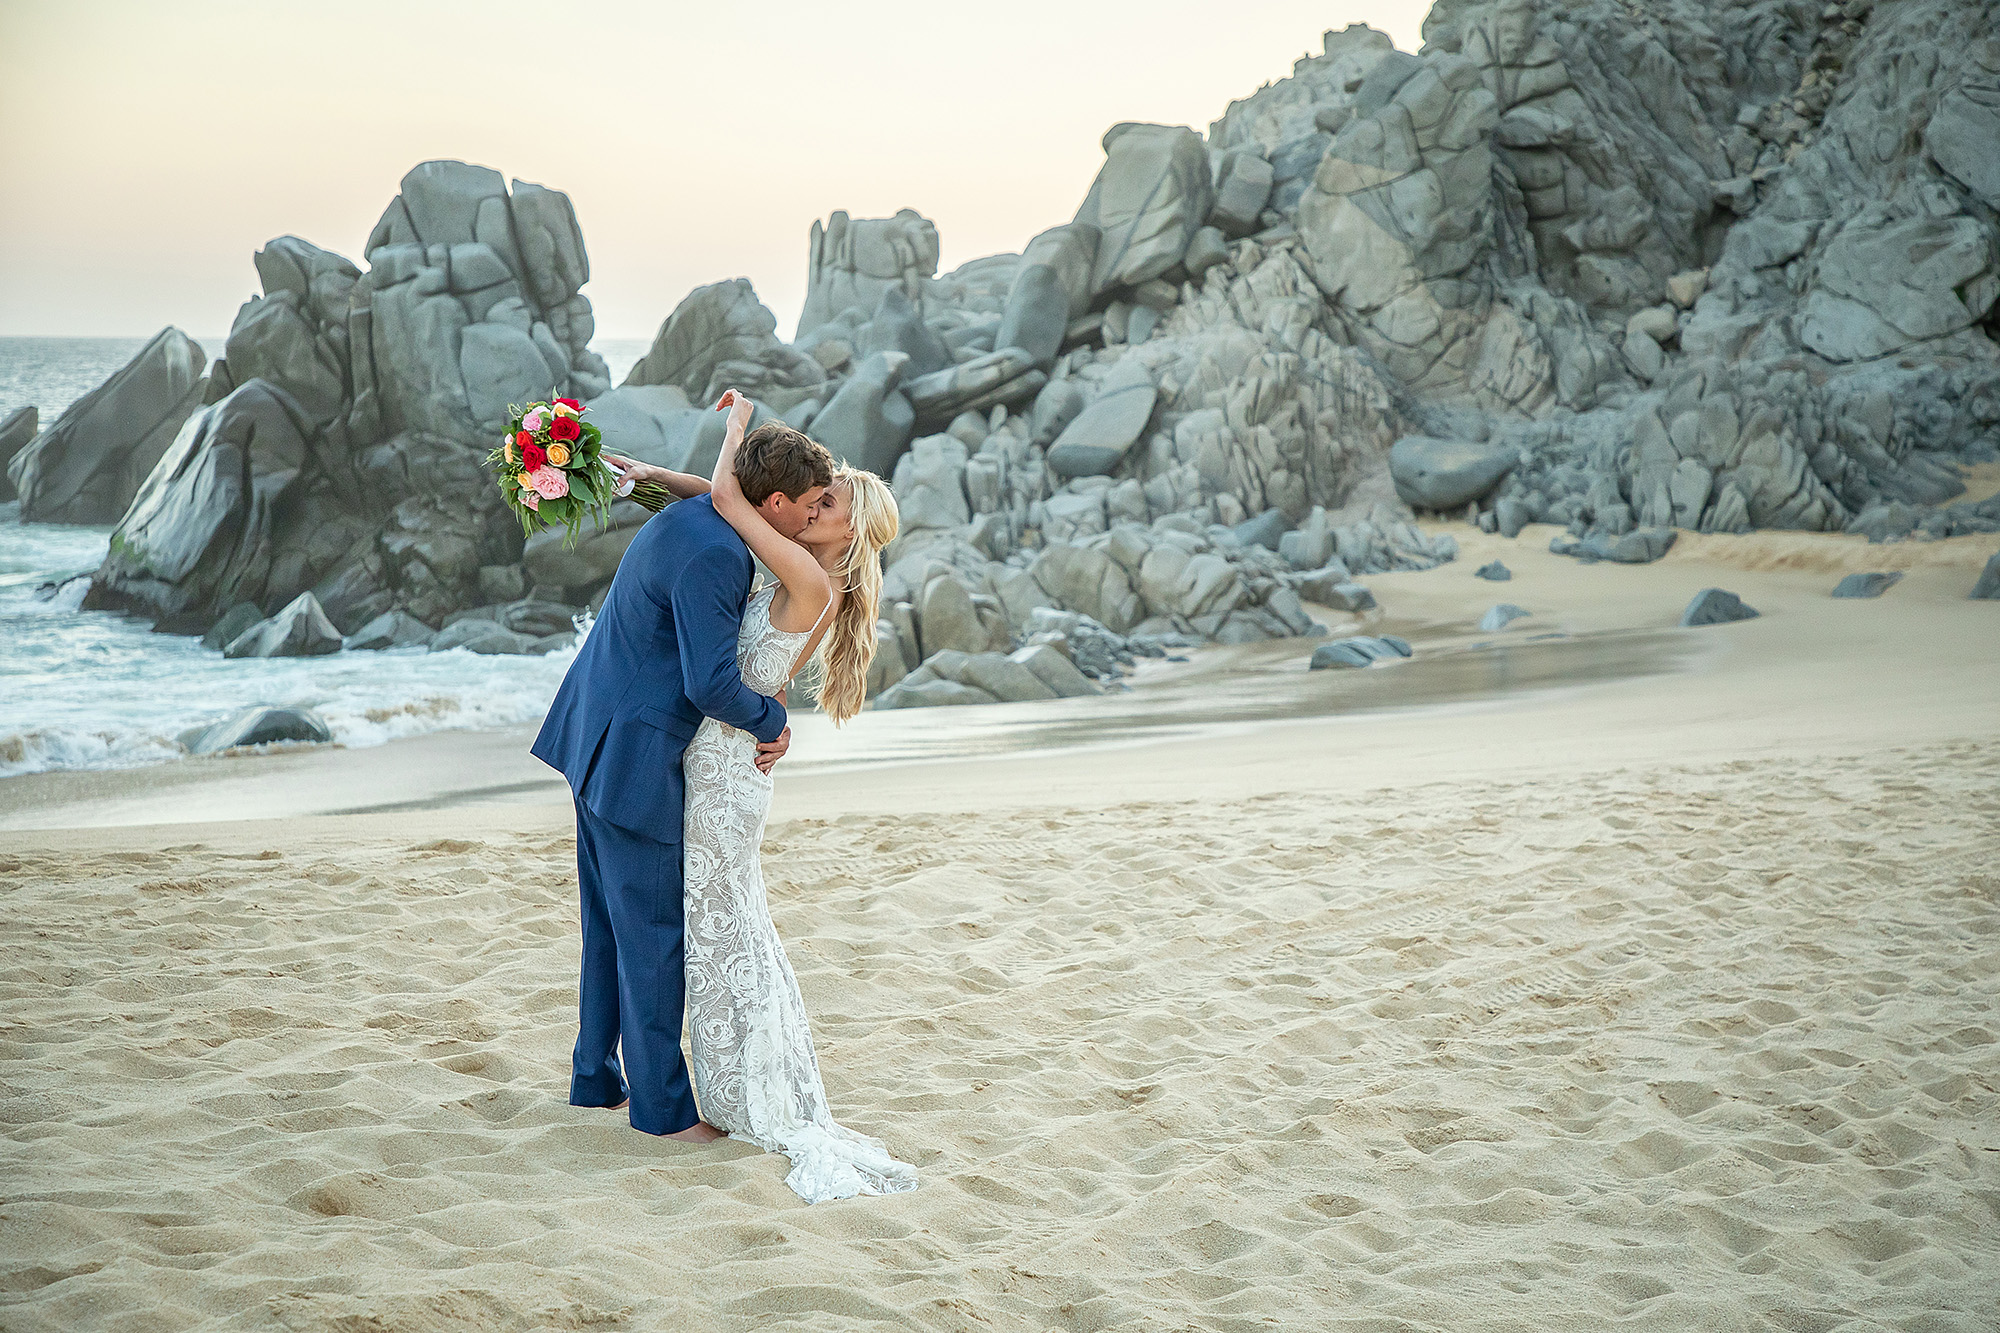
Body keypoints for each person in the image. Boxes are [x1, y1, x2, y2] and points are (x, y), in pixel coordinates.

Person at [614, 390, 915, 1202]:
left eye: (832, 501)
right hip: (724, 761)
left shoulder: (808, 574)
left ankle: (742, 1096)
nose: (817, 502)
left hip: (720, 769)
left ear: (847, 532)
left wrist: (737, 429)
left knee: (722, 928)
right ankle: (734, 1084)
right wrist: (653, 477)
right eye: (820, 494)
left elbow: (728, 499)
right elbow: (743, 507)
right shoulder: (807, 567)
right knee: (731, 923)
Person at [530, 408, 829, 1145]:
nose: (819, 513)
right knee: (654, 933)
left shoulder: (700, 515)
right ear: (776, 503)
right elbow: (708, 683)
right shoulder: (719, 557)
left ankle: (594, 1078)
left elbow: (710, 490)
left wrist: (669, 470)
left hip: (588, 726)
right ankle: (662, 1114)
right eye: (814, 502)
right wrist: (773, 724)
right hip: (632, 755)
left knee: (607, 924)